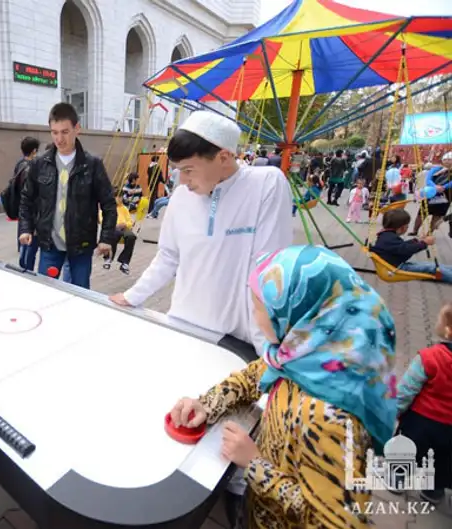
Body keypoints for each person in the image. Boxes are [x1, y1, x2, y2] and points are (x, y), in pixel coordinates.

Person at [170, 245, 398, 529]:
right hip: (260, 509)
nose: (254, 316)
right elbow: (254, 375)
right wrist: (208, 403)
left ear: (298, 312)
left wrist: (255, 465)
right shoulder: (308, 357)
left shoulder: (329, 418)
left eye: (259, 308)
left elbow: (337, 522)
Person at [109, 110, 292, 351]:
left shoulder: (265, 185)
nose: (182, 181)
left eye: (188, 170)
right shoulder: (181, 198)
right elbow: (168, 256)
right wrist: (133, 296)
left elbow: (268, 271)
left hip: (237, 338)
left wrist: (265, 350)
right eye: (178, 171)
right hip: (184, 326)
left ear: (223, 157)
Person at [18, 102, 116, 290]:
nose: (59, 139)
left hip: (81, 246)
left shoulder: (92, 164)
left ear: (77, 128)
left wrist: (106, 238)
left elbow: (109, 204)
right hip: (49, 245)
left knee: (79, 295)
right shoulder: (40, 163)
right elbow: (26, 200)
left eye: (64, 132)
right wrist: (25, 228)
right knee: (46, 292)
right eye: (54, 132)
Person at [395, 303, 452, 504]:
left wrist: (395, 411)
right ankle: (433, 491)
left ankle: (397, 479)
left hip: (421, 424)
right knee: (442, 462)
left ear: (447, 329)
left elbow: (406, 389)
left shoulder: (430, 357)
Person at [371, 209, 452, 282]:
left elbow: (401, 246)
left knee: (432, 265)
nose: (408, 227)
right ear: (402, 228)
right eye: (407, 226)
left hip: (395, 264)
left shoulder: (386, 235)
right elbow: (406, 249)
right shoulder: (389, 238)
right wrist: (424, 243)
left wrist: (417, 240)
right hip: (396, 268)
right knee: (432, 268)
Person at [409, 152, 452, 236]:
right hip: (430, 194)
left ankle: (429, 234)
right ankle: (415, 230)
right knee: (421, 213)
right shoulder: (436, 169)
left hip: (446, 196)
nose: (447, 161)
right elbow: (428, 179)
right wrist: (435, 186)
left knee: (437, 216)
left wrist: (444, 187)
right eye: (445, 159)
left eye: (449, 159)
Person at [15, 137, 40, 271]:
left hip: (21, 207)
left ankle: (23, 265)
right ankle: (27, 269)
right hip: (31, 211)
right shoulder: (31, 168)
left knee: (24, 238)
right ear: (34, 151)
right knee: (31, 242)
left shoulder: (19, 164)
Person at [102, 189, 136, 274]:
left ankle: (124, 262)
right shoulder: (108, 207)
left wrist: (125, 224)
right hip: (113, 227)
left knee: (132, 237)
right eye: (118, 197)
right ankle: (109, 258)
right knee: (114, 235)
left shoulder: (124, 208)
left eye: (121, 197)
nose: (120, 199)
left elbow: (129, 221)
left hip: (124, 227)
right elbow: (102, 219)